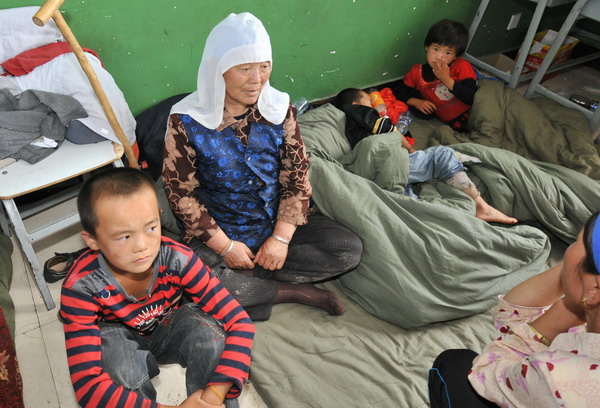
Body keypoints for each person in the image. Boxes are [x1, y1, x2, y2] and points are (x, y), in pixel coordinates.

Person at [163, 12, 363, 321]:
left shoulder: (280, 110)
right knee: (181, 276)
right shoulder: (186, 121)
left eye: (264, 66)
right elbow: (180, 195)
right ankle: (292, 291)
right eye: (244, 68)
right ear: (219, 70)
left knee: (347, 249)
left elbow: (297, 177)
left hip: (276, 225)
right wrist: (227, 247)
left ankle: (249, 284)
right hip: (222, 231)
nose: (256, 79)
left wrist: (280, 239)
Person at [60, 167, 254, 408]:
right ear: (92, 240)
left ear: (159, 217)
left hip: (168, 326)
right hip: (118, 337)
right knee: (122, 372)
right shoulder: (81, 287)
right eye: (123, 237)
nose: (142, 246)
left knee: (212, 336)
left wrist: (212, 395)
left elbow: (240, 322)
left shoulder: (179, 259)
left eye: (151, 228)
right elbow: (88, 387)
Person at [429, 211, 600, 408]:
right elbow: (509, 317)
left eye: (576, 243)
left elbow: (485, 374)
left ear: (594, 289)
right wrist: (576, 280)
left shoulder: (561, 376)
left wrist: (557, 315)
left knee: (455, 364)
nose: (567, 252)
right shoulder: (591, 319)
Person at [333, 87, 517, 225]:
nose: (372, 105)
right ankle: (481, 206)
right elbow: (388, 130)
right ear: (356, 104)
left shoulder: (352, 125)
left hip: (379, 175)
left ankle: (437, 221)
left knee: (412, 204)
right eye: (368, 101)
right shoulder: (356, 111)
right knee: (442, 154)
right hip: (384, 164)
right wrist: (412, 151)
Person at [392, 19, 477, 132]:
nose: (439, 57)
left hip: (474, 113)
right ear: (426, 47)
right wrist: (416, 102)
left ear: (455, 56)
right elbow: (399, 91)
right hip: (453, 124)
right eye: (436, 49)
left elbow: (472, 97)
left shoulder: (461, 66)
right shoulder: (417, 73)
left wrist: (446, 79)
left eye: (448, 53)